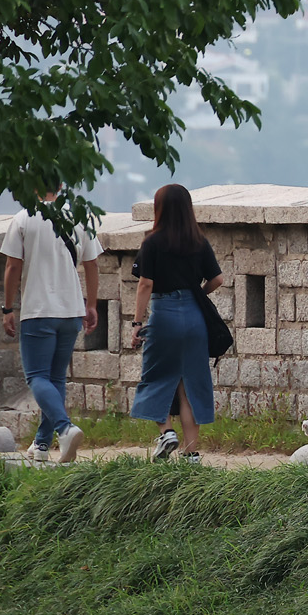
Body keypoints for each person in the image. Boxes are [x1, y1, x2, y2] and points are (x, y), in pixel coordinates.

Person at [1, 189, 102, 463]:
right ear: (59, 187)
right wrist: (91, 304)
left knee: (36, 377)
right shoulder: (80, 218)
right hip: (71, 311)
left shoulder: (23, 219)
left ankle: (65, 428)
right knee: (55, 378)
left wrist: (8, 307)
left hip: (38, 310)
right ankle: (42, 444)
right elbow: (92, 265)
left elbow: (12, 267)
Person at [128, 184, 223, 463]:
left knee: (157, 377)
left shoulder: (152, 242)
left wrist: (136, 323)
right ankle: (191, 453)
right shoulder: (199, 241)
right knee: (190, 384)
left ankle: (167, 433)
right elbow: (217, 280)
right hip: (195, 319)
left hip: (164, 315)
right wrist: (196, 297)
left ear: (159, 209)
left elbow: (146, 283)